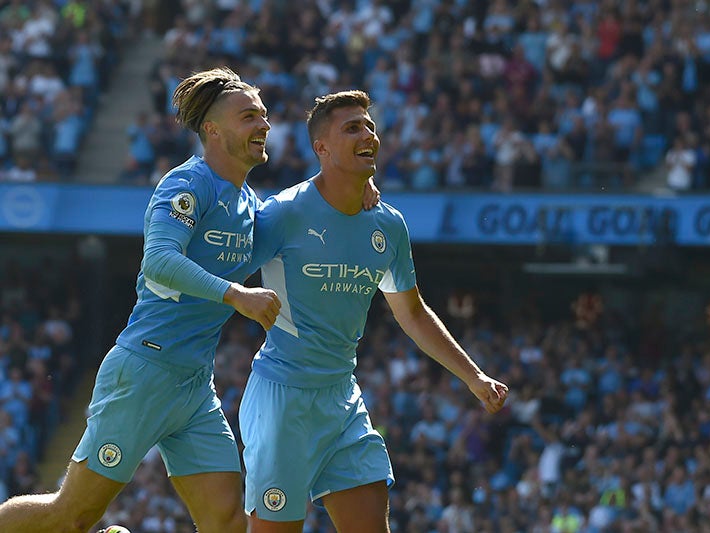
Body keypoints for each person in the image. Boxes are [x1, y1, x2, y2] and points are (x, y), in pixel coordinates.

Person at [0, 68, 378, 533]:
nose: (264, 125)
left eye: (263, 116)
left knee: (225, 522)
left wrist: (351, 188)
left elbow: (300, 213)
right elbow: (159, 260)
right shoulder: (186, 185)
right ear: (213, 130)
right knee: (72, 515)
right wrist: (235, 293)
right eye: (249, 117)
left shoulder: (248, 203)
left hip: (196, 385)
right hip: (145, 371)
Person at [241, 90, 509, 532]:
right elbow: (225, 271)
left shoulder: (388, 224)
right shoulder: (282, 214)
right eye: (352, 128)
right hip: (281, 401)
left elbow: (414, 313)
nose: (368, 134)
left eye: (370, 126)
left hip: (342, 399)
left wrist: (473, 377)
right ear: (321, 148)